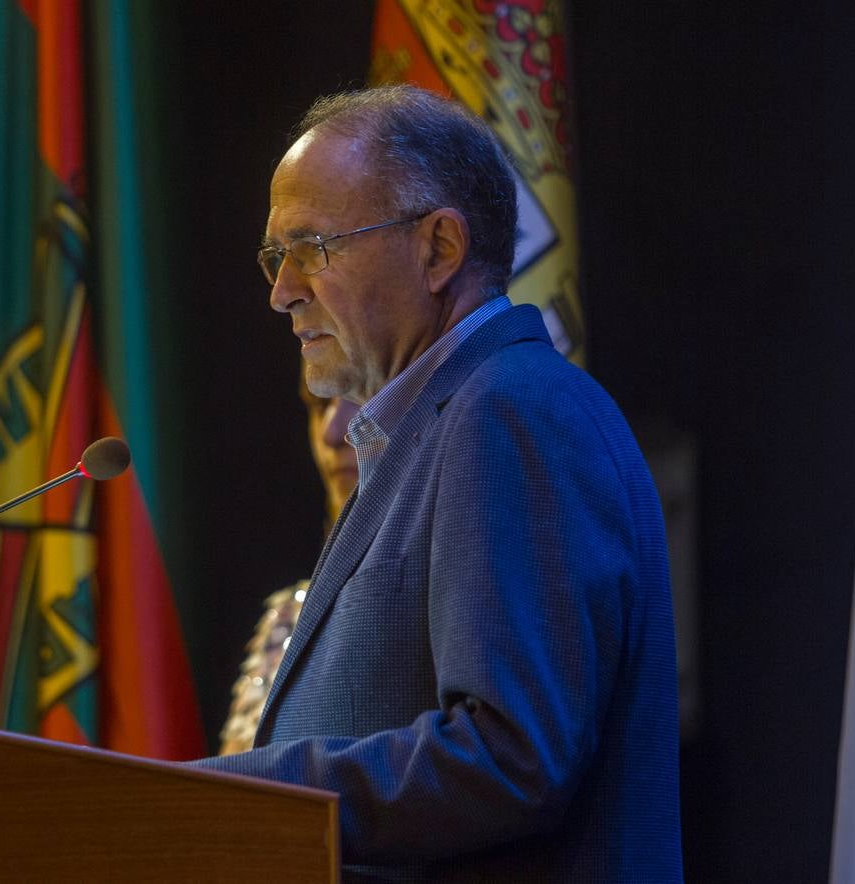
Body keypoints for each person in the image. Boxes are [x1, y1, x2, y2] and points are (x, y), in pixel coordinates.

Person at [194, 85, 681, 881]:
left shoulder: (508, 412)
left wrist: (233, 797)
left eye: (311, 247)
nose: (281, 291)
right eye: (274, 257)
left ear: (439, 249)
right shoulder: (429, 430)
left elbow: (511, 753)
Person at [218, 387, 360, 756]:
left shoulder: (431, 603)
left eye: (362, 398)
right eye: (320, 405)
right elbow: (228, 794)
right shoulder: (286, 616)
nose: (333, 432)